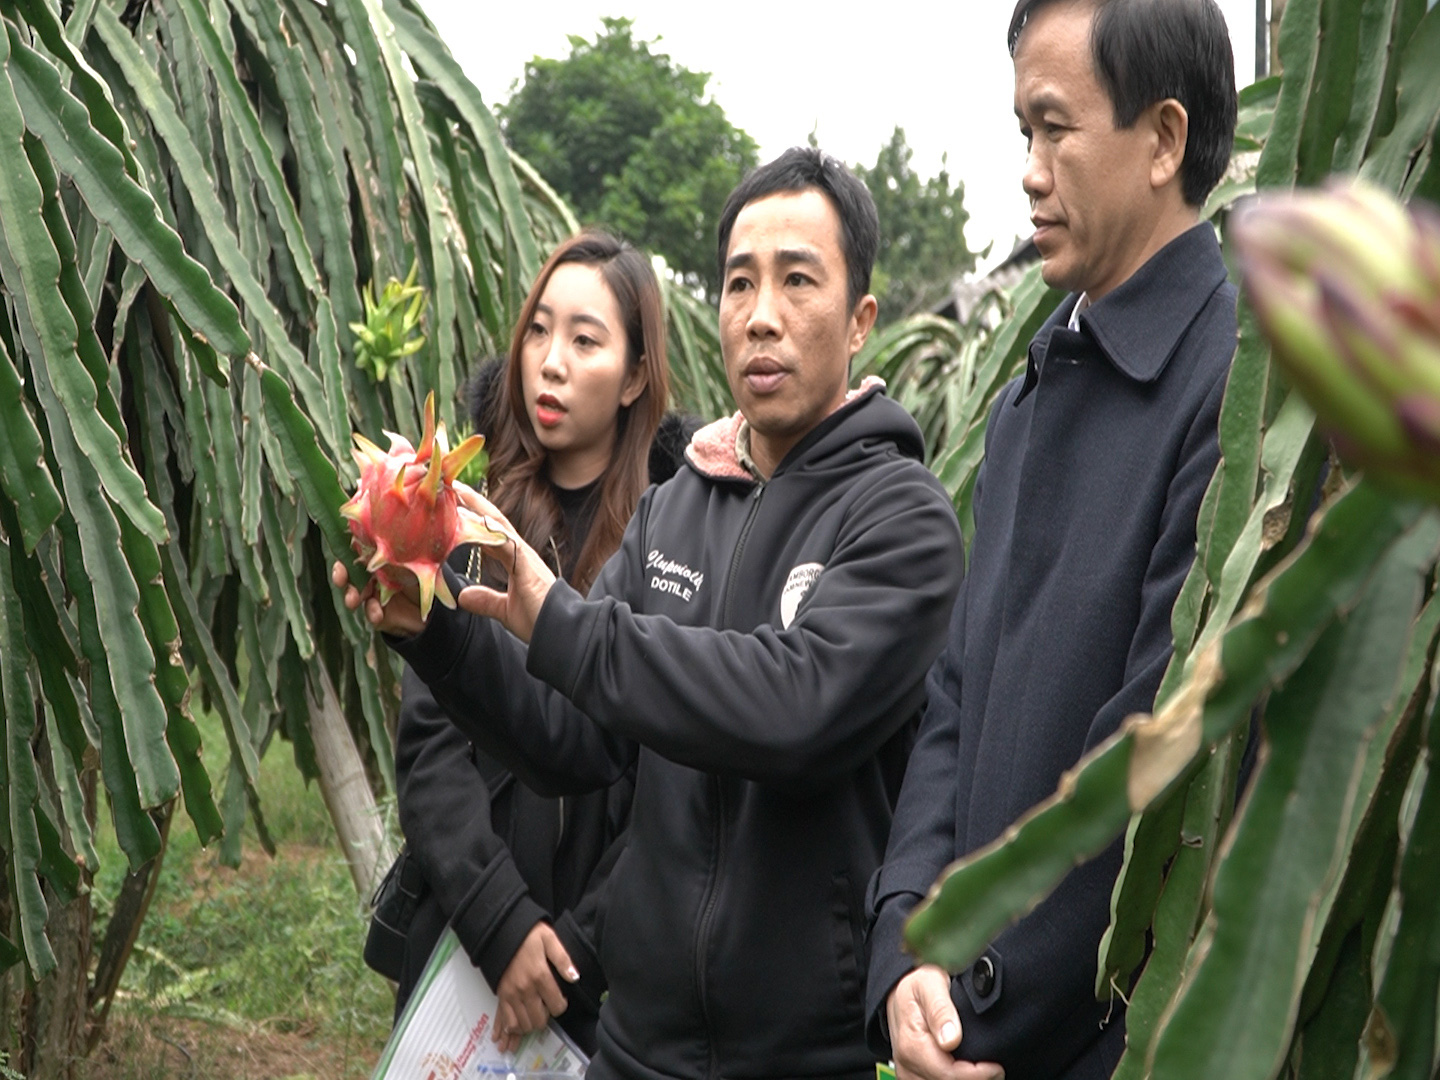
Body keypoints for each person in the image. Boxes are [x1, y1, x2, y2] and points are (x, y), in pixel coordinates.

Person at [336, 147, 965, 1080]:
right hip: (632, 1046)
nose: (762, 316)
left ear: (861, 319)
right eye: (739, 282)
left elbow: (793, 708)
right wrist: (437, 631)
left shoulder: (904, 518)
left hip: (800, 1056)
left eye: (799, 282)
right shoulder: (680, 507)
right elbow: (576, 742)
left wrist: (554, 617)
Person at [865, 1, 1240, 1078]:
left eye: (1054, 128)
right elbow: (955, 698)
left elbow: (1155, 751)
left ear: (1164, 140)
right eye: (1021, 135)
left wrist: (980, 995)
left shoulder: (1236, 396)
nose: (1030, 171)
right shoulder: (1029, 399)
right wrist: (907, 946)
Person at [382, 231, 692, 1054]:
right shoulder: (466, 516)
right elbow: (430, 745)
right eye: (538, 331)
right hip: (464, 945)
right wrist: (502, 922)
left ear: (634, 377)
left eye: (585, 340)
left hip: (608, 982)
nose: (550, 362)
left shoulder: (674, 547)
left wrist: (569, 954)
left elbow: (668, 779)